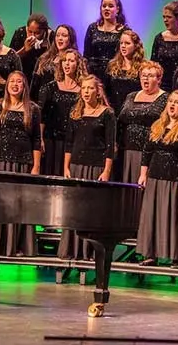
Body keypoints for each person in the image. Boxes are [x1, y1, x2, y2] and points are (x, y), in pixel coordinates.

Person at [136, 90, 178, 267]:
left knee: (175, 218)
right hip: (156, 177)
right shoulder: (158, 124)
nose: (172, 105)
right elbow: (147, 151)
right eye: (171, 101)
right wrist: (143, 174)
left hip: (176, 179)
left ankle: (175, 256)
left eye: (177, 102)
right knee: (153, 216)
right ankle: (150, 254)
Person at [0, 71, 42, 257]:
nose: (15, 85)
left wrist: (36, 166)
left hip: (21, 163)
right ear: (7, 85)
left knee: (17, 204)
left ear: (24, 86)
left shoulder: (32, 109)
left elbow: (36, 140)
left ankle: (14, 245)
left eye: (19, 82)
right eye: (12, 82)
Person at [59, 75, 117, 259]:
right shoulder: (75, 112)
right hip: (76, 165)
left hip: (95, 167)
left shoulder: (107, 113)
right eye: (83, 88)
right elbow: (69, 142)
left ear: (97, 91)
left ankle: (88, 251)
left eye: (90, 88)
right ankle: (72, 249)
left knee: (91, 211)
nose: (86, 92)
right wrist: (66, 167)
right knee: (74, 210)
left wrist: (106, 170)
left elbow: (110, 145)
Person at [118, 61, 168, 183]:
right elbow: (121, 120)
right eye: (143, 75)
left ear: (159, 79)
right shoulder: (131, 96)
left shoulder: (166, 98)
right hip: (128, 150)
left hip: (150, 151)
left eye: (150, 75)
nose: (146, 78)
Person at [150, 0, 178, 92]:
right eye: (164, 17)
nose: (165, 20)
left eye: (169, 17)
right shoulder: (159, 38)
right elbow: (153, 64)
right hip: (163, 86)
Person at [84, 0, 128, 83]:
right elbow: (86, 55)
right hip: (93, 75)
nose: (106, 8)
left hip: (114, 75)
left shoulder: (124, 31)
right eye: (104, 6)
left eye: (110, 6)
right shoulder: (92, 28)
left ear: (118, 9)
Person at [9, 13, 51, 84]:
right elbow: (10, 60)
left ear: (44, 31)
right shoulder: (20, 33)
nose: (32, 36)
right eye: (30, 31)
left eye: (37, 33)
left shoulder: (51, 37)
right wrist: (24, 50)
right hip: (23, 75)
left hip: (42, 77)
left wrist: (47, 49)